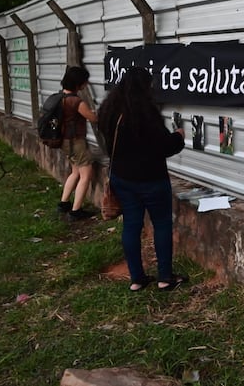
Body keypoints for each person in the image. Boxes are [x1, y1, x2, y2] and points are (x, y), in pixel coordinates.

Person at [97, 67, 187, 292]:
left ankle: (137, 279)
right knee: (162, 224)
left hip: (122, 179)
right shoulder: (145, 114)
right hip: (152, 180)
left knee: (131, 225)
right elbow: (165, 146)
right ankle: (165, 277)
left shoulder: (109, 111)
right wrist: (178, 137)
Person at [56, 66, 98, 221]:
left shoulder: (60, 97)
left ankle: (64, 203)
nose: (86, 84)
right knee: (86, 175)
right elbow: (93, 119)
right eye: (85, 81)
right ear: (79, 83)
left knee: (75, 172)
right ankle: (76, 211)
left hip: (65, 141)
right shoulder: (75, 101)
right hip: (76, 142)